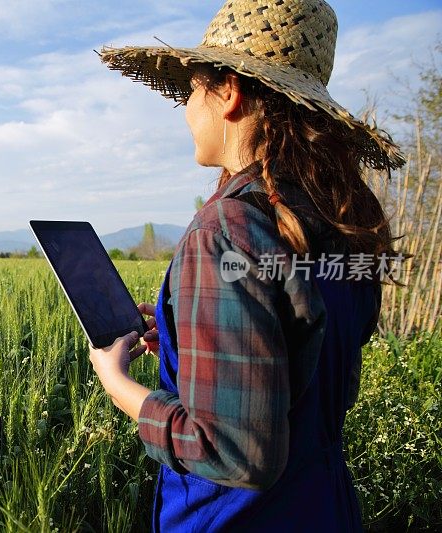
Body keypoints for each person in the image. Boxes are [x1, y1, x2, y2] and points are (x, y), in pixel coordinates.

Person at [88, 0, 406, 531]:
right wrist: (189, 342)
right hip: (325, 507)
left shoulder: (226, 230)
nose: (187, 108)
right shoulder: (340, 219)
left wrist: (119, 385)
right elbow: (317, 380)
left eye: (192, 89)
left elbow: (233, 453)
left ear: (229, 93)